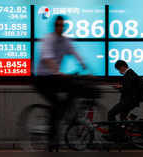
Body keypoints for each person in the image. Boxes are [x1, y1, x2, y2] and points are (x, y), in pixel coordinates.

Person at [33, 15, 88, 150]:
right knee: (56, 103)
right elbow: (47, 59)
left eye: (62, 25)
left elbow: (75, 53)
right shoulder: (48, 39)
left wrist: (84, 66)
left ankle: (66, 117)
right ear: (54, 26)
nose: (60, 27)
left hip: (54, 77)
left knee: (73, 89)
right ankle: (51, 138)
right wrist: (57, 71)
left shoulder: (65, 40)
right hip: (41, 78)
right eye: (58, 25)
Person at [107, 60, 143, 138]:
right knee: (123, 118)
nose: (119, 72)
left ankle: (113, 134)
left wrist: (120, 87)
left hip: (128, 101)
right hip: (131, 101)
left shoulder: (129, 74)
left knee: (111, 113)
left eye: (118, 69)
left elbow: (129, 89)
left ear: (122, 67)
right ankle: (122, 135)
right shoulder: (131, 74)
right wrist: (121, 87)